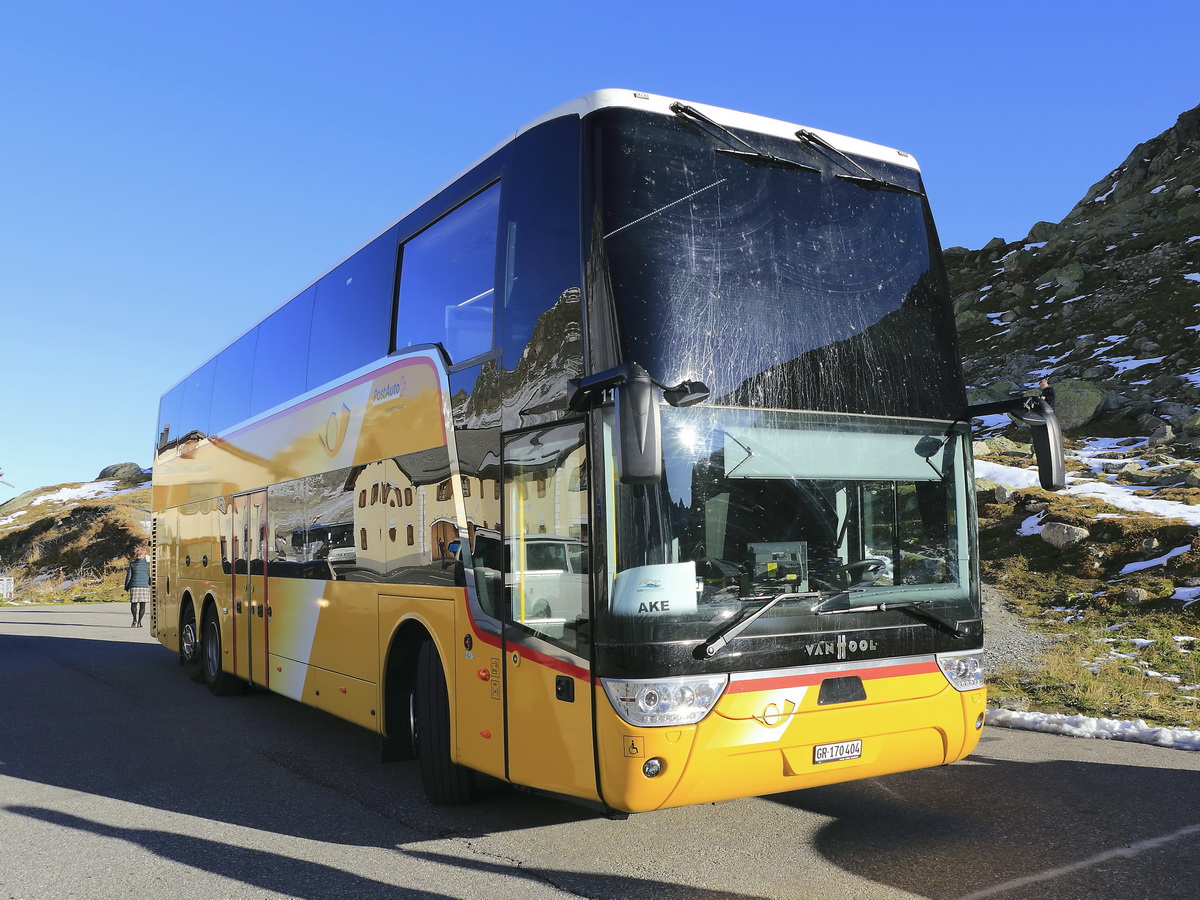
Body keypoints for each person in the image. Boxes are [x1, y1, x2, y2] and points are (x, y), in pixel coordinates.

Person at [124, 546, 150, 627]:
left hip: (134, 585)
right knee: (143, 605)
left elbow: (129, 576)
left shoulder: (132, 564)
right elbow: (150, 576)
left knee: (134, 604)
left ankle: (134, 620)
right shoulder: (148, 565)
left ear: (136, 554)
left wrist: (127, 586)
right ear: (144, 555)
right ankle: (139, 622)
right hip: (144, 586)